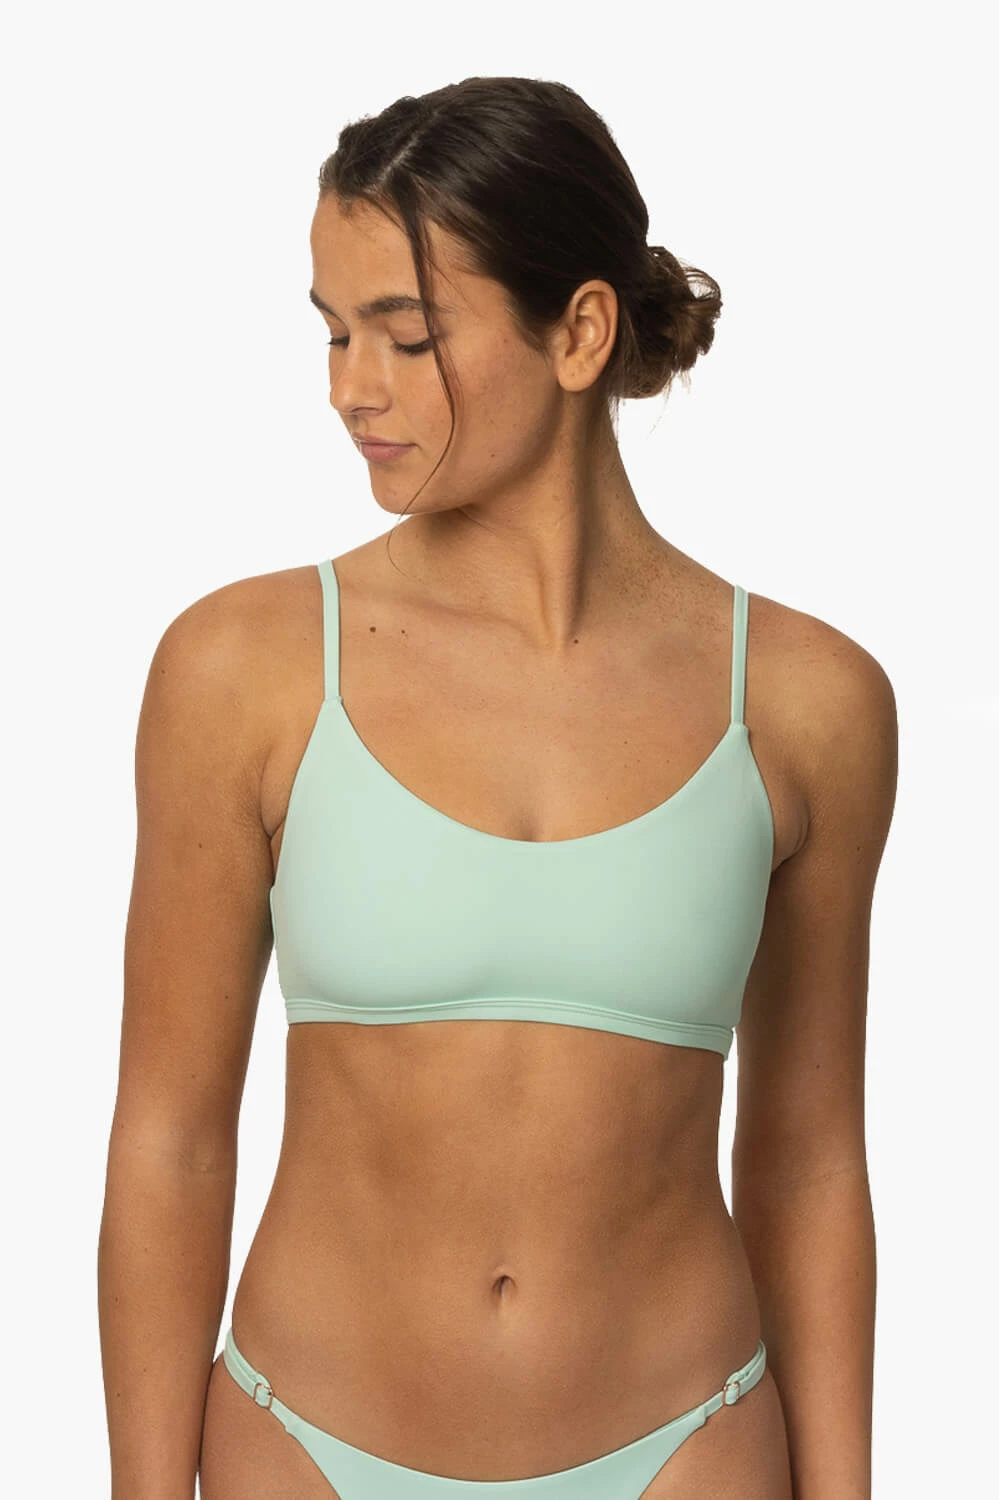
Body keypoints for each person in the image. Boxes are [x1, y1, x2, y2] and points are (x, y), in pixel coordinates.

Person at [98, 76, 897, 1500]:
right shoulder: (244, 670)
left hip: (685, 1448)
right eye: (334, 332)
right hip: (308, 1448)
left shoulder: (804, 702)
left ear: (579, 332)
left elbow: (808, 1164)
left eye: (407, 337)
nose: (352, 386)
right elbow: (169, 1142)